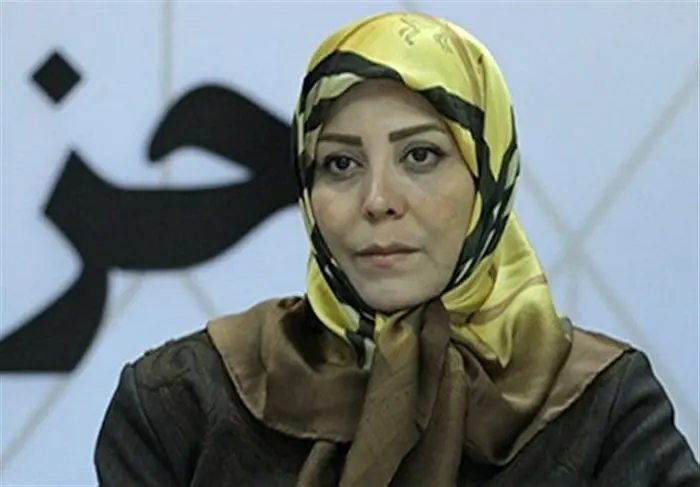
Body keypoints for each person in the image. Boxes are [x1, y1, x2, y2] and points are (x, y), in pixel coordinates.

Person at [94, 11, 700, 486]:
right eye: (341, 163)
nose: (378, 200)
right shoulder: (184, 402)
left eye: (420, 155)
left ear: (488, 179)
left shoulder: (601, 404)